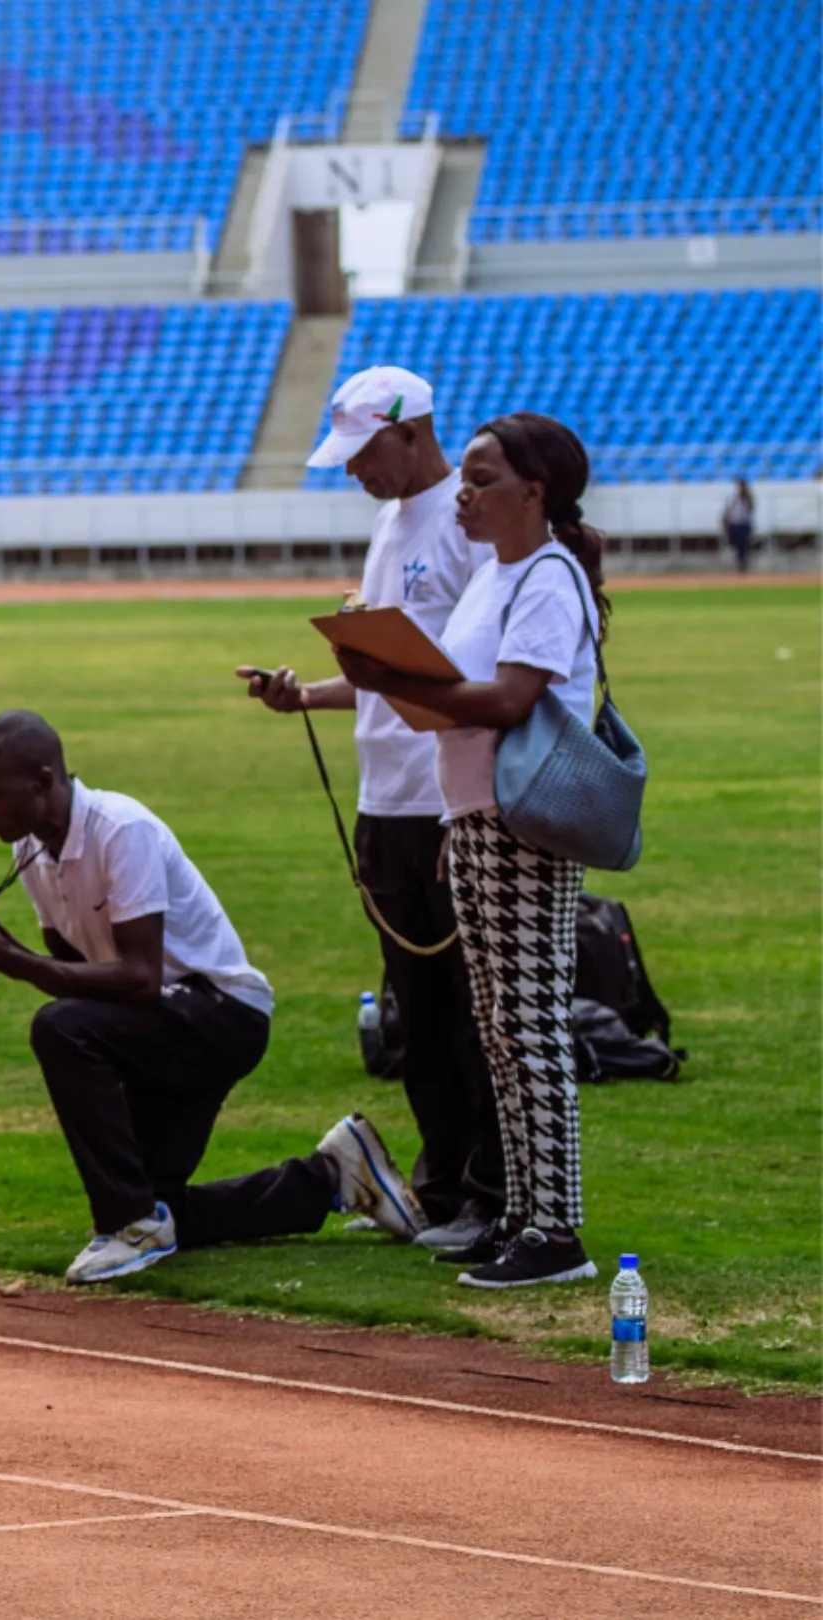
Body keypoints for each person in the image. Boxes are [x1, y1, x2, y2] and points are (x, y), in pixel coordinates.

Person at [0, 712, 422, 1285]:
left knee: (59, 1029)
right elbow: (78, 972)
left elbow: (138, 978)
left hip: (221, 1015)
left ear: (41, 781)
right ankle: (333, 1174)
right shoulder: (33, 850)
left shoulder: (119, 829)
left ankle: (130, 1227)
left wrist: (10, 961)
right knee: (160, 1203)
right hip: (166, 1020)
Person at [332, 413, 611, 1289]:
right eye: (468, 478)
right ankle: (518, 1212)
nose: (466, 492)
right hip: (475, 816)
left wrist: (397, 679)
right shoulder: (499, 574)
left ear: (535, 491)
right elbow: (464, 695)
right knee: (496, 1026)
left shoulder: (549, 576)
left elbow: (509, 700)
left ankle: (556, 1230)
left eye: (484, 479)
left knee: (529, 1029)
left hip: (524, 819)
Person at [239, 365, 502, 1254]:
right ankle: (436, 1185)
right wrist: (304, 695)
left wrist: (462, 811)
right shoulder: (390, 527)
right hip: (384, 799)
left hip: (445, 800)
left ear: (412, 431)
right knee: (416, 1015)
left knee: (473, 1012)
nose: (355, 474)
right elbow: (387, 679)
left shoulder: (469, 525)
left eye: (363, 454)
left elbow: (475, 676)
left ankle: (488, 1197)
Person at [724, 477, 755, 573]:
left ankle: (743, 564)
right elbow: (727, 511)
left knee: (744, 545)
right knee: (735, 544)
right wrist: (726, 524)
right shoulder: (732, 497)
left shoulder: (747, 497)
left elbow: (751, 508)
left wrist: (746, 497)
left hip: (744, 524)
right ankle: (739, 562)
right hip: (735, 524)